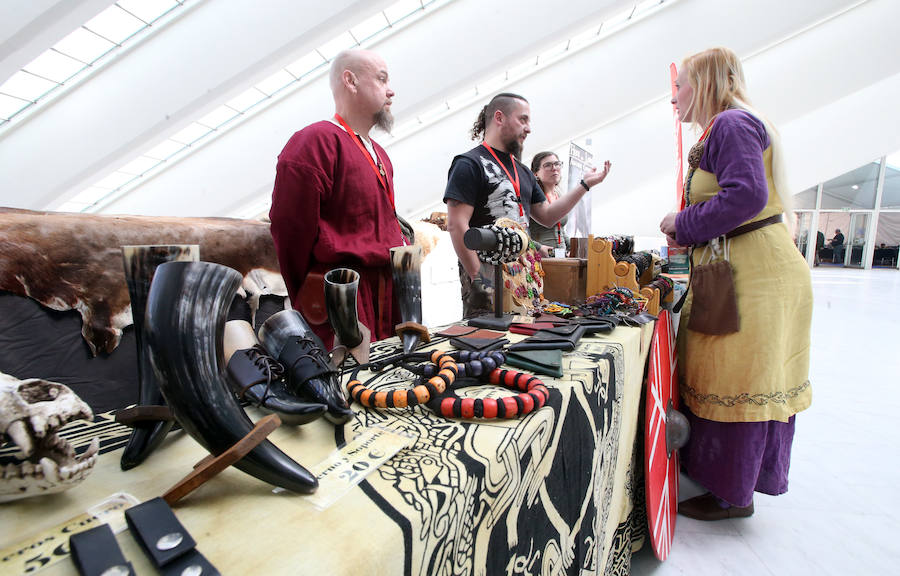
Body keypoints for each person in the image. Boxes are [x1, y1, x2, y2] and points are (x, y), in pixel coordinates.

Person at [659, 47, 812, 520]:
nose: (674, 97)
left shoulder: (731, 124)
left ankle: (731, 492)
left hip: (756, 275)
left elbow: (747, 194)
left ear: (702, 84)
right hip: (741, 270)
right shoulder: (725, 126)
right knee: (729, 369)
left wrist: (682, 222)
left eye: (679, 85)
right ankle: (727, 483)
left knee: (738, 376)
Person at [269, 49, 405, 347]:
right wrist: (313, 291)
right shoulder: (315, 142)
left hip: (388, 298)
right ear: (350, 80)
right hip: (345, 302)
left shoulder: (380, 153)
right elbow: (289, 231)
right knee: (352, 386)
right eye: (382, 79)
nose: (391, 90)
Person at [443, 93, 610, 317]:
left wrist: (584, 185)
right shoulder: (469, 164)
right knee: (487, 344)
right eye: (523, 119)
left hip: (524, 280)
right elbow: (456, 224)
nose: (529, 128)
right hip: (488, 277)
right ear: (499, 118)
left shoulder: (522, 171)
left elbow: (548, 216)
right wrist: (480, 280)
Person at [529, 152, 570, 257]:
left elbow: (560, 229)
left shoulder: (559, 195)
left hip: (561, 259)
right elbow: (519, 231)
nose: (554, 168)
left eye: (557, 164)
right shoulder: (530, 197)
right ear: (535, 173)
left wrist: (571, 248)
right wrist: (538, 247)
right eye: (548, 165)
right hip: (538, 259)